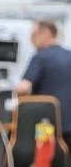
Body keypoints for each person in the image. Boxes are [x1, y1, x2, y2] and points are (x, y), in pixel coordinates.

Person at [16, 20, 71, 148]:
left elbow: (24, 87)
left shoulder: (40, 57)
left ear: (46, 33)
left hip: (48, 126)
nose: (31, 41)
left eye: (33, 35)